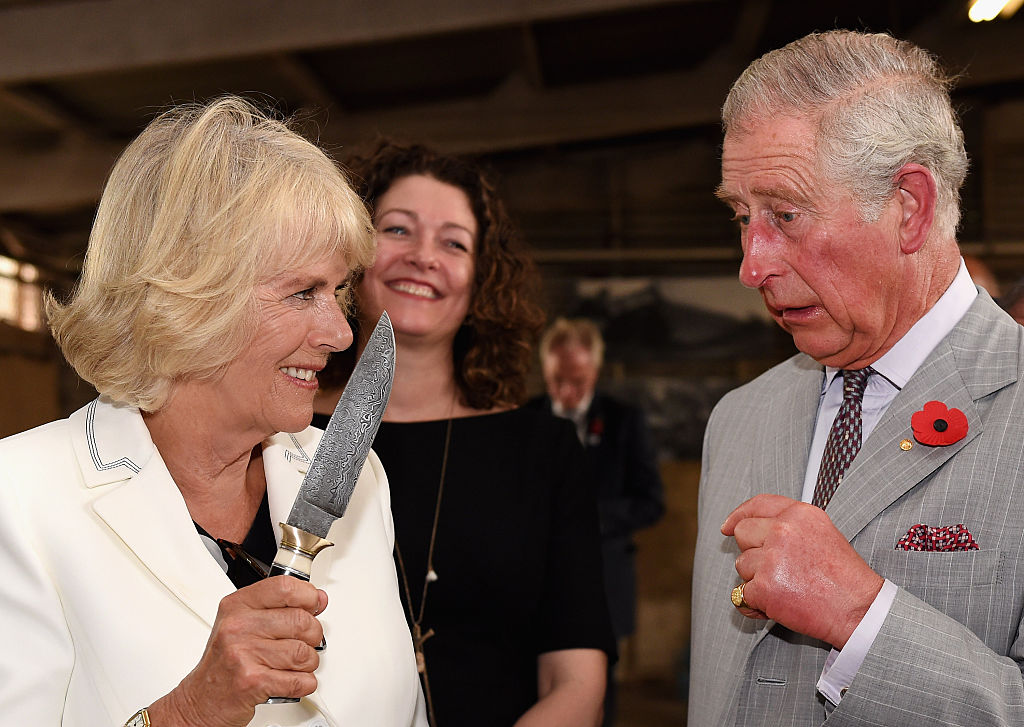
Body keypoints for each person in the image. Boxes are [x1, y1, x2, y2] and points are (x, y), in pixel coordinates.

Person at [0, 97, 425, 727]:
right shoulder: (20, 499)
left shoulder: (352, 474)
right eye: (302, 293)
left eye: (336, 292)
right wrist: (188, 713)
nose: (339, 333)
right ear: (193, 297)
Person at [690, 30, 1024, 726]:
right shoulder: (739, 417)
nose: (752, 265)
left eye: (785, 214)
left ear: (910, 206)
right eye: (741, 217)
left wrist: (862, 615)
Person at [313, 140, 616, 727]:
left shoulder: (542, 453)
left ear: (481, 282)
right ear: (350, 253)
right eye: (397, 230)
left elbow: (577, 679)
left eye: (454, 242)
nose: (424, 256)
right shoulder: (282, 435)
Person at [527, 317, 664, 727]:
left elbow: (651, 502)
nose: (567, 392)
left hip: (605, 578)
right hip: (533, 578)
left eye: (578, 380)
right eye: (557, 380)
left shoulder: (624, 421)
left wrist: (583, 517)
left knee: (597, 688)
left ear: (596, 371)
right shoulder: (525, 417)